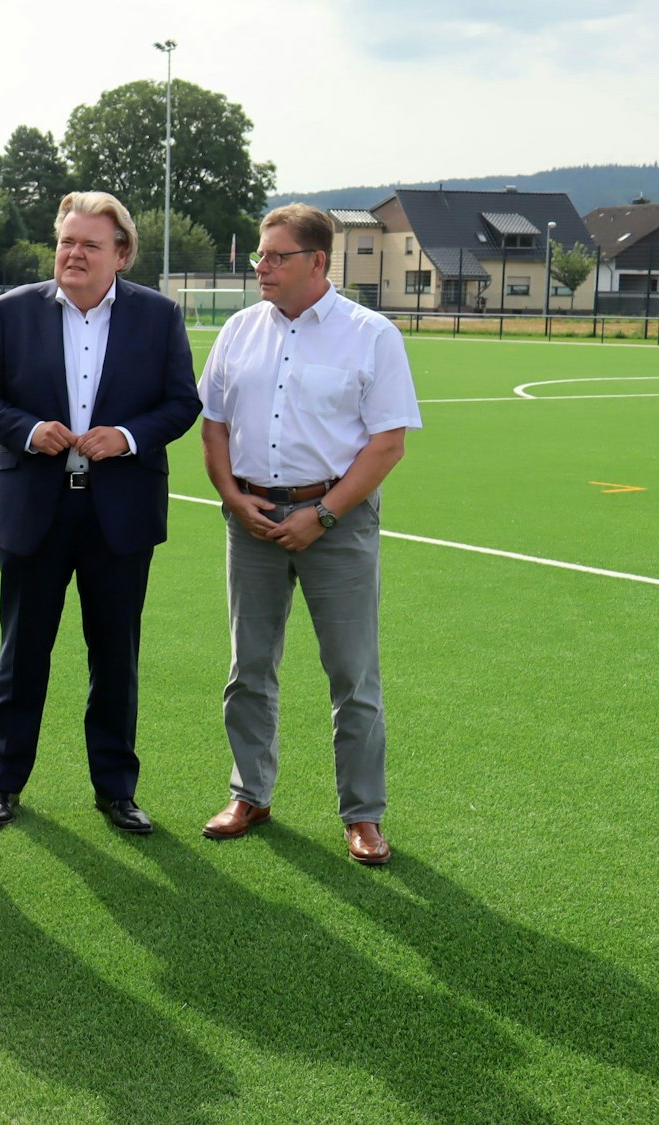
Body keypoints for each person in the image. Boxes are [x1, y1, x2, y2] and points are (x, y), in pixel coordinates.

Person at [197, 203, 421, 865]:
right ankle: (250, 794)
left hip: (337, 524)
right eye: (259, 255)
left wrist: (320, 516)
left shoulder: (370, 334)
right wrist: (234, 498)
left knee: (353, 675)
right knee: (250, 668)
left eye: (275, 256)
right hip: (252, 520)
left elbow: (387, 444)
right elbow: (212, 425)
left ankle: (363, 815)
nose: (259, 266)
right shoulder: (239, 331)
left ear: (317, 262)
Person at [0, 191, 200, 836]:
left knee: (115, 657)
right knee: (23, 654)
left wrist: (125, 437)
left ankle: (116, 790)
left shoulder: (157, 316)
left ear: (121, 254)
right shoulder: (13, 311)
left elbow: (180, 403)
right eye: (67, 242)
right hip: (33, 510)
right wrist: (25, 430)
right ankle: (4, 784)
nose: (73, 254)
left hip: (119, 514)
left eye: (90, 245)